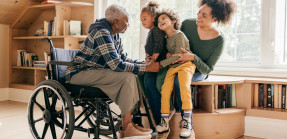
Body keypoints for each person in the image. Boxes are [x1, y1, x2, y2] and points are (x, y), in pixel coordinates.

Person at [65, 4, 160, 138]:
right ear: (116, 22)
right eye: (126, 21)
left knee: (131, 75)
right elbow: (116, 65)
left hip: (95, 72)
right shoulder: (101, 32)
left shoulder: (114, 35)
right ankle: (126, 127)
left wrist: (144, 64)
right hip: (79, 74)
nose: (128, 25)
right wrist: (147, 67)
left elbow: (124, 59)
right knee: (127, 77)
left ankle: (129, 124)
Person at [145, 0, 236, 138]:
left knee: (178, 81)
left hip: (197, 70)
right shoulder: (187, 24)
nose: (198, 15)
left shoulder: (219, 40)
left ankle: (188, 125)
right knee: (149, 78)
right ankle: (162, 121)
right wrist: (154, 54)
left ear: (214, 19)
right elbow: (170, 40)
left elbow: (207, 69)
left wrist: (192, 57)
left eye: (204, 15)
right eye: (199, 11)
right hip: (175, 63)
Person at [154, 9, 196, 138]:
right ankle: (164, 121)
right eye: (159, 20)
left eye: (163, 19)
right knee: (165, 90)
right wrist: (166, 55)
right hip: (173, 67)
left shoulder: (179, 35)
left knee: (184, 87)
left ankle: (187, 122)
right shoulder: (166, 39)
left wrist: (160, 64)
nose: (160, 21)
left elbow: (178, 56)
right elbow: (170, 55)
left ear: (173, 21)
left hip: (185, 65)